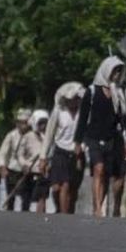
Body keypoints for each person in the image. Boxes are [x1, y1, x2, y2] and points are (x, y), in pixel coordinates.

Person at [75, 55, 126, 218]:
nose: (116, 75)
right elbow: (83, 118)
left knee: (118, 176)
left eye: (119, 71)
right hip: (94, 137)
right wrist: (78, 141)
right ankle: (97, 208)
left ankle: (116, 206)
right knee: (99, 169)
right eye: (113, 71)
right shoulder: (92, 92)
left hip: (116, 138)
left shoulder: (124, 93)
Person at [44, 81, 85, 214]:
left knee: (72, 188)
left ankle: (68, 212)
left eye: (76, 99)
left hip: (77, 154)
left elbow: (88, 132)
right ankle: (62, 213)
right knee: (59, 187)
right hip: (60, 152)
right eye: (71, 99)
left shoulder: (84, 113)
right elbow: (49, 134)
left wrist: (82, 149)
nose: (74, 102)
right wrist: (43, 157)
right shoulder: (58, 112)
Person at [0, 108, 31, 211]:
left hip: (27, 170)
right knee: (11, 196)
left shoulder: (32, 136)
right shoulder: (11, 135)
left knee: (26, 197)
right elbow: (3, 152)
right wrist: (2, 167)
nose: (21, 125)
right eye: (19, 122)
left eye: (24, 123)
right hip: (12, 169)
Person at [18, 109, 51, 213]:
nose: (43, 126)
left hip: (43, 172)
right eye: (40, 123)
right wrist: (24, 165)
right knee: (26, 198)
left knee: (42, 196)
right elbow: (20, 154)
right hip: (30, 172)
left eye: (45, 123)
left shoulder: (49, 137)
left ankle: (40, 216)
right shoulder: (28, 137)